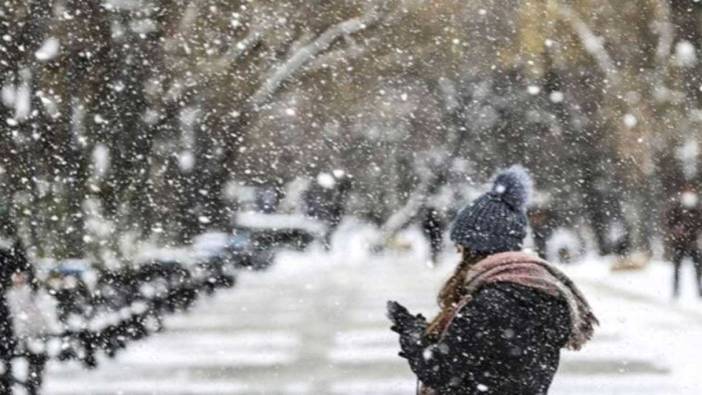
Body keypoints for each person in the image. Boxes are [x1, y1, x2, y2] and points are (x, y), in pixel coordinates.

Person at [387, 166, 598, 395]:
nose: (460, 254)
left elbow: (440, 370)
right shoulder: (540, 292)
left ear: (477, 248)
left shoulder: (491, 303)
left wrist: (411, 333)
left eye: (463, 247)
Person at [663, 183, 702, 298]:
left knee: (698, 268)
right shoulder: (676, 207)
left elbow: (699, 223)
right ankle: (676, 291)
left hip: (693, 243)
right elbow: (668, 221)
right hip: (678, 243)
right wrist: (676, 231)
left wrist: (694, 232)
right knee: (677, 268)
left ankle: (699, 290)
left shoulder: (697, 207)